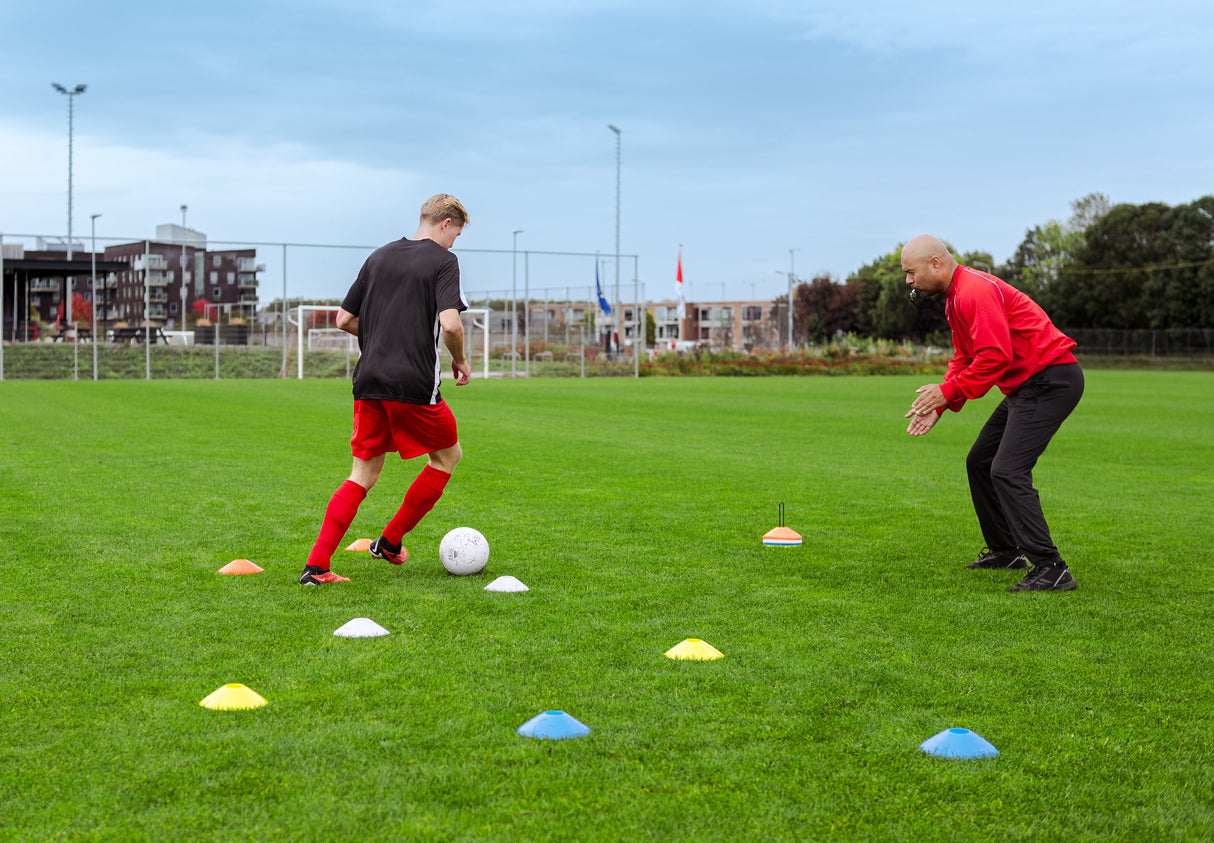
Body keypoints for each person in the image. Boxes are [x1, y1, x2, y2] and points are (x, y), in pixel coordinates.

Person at [299, 194, 473, 585]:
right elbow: (450, 325)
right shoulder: (444, 262)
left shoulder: (378, 256)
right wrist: (460, 360)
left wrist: (382, 336)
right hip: (412, 382)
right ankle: (391, 542)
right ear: (445, 224)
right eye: (456, 235)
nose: (453, 244)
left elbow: (344, 319)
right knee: (447, 457)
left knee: (363, 472)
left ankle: (317, 567)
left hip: (369, 380)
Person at [902, 234, 1084, 592]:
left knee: (1007, 470)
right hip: (1028, 385)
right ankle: (1006, 550)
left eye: (911, 272)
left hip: (1050, 380)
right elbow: (965, 357)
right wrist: (945, 401)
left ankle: (1051, 568)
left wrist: (947, 393)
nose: (908, 281)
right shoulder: (956, 298)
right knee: (980, 462)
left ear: (935, 263)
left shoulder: (973, 291)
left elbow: (995, 356)